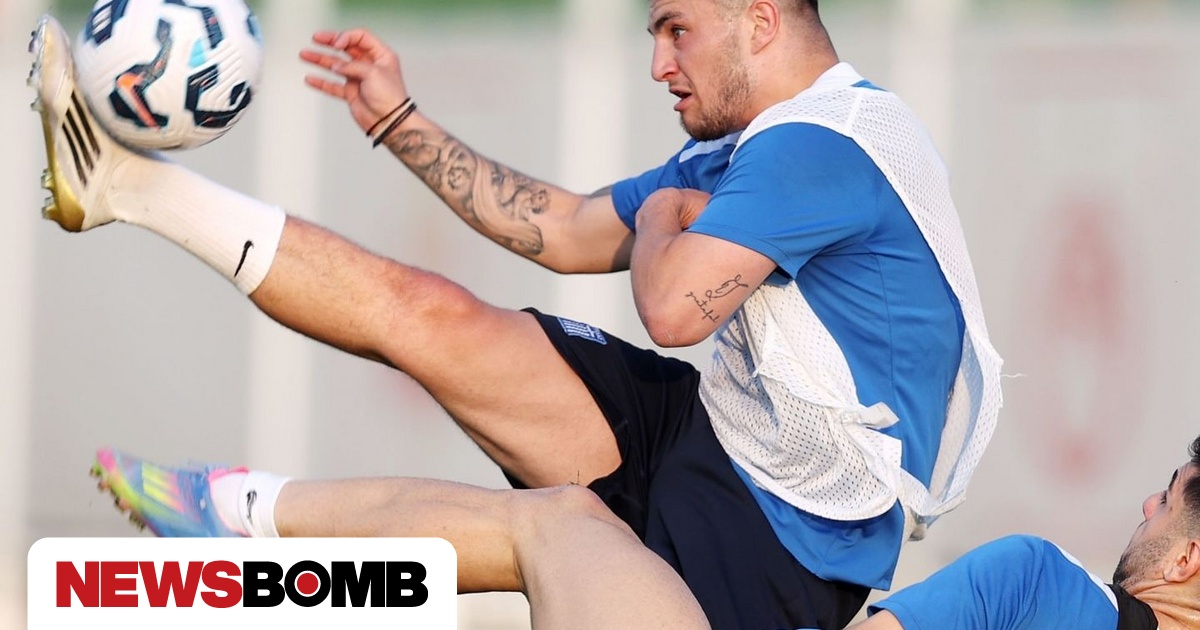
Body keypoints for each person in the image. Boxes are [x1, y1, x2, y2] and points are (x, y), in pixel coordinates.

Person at [31, 0, 1002, 625]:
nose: (659, 63)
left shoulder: (821, 147)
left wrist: (658, 218)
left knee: (555, 525)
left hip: (784, 550)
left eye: (676, 30)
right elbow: (569, 229)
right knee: (437, 315)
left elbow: (672, 310)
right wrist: (400, 123)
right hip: (714, 436)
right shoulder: (761, 139)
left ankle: (247, 520)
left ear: (759, 20)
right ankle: (124, 185)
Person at [92, 436, 1199, 630]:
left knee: (563, 523)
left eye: (1169, 495)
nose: (1144, 509)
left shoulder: (1047, 588)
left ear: (1191, 556)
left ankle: (235, 525)